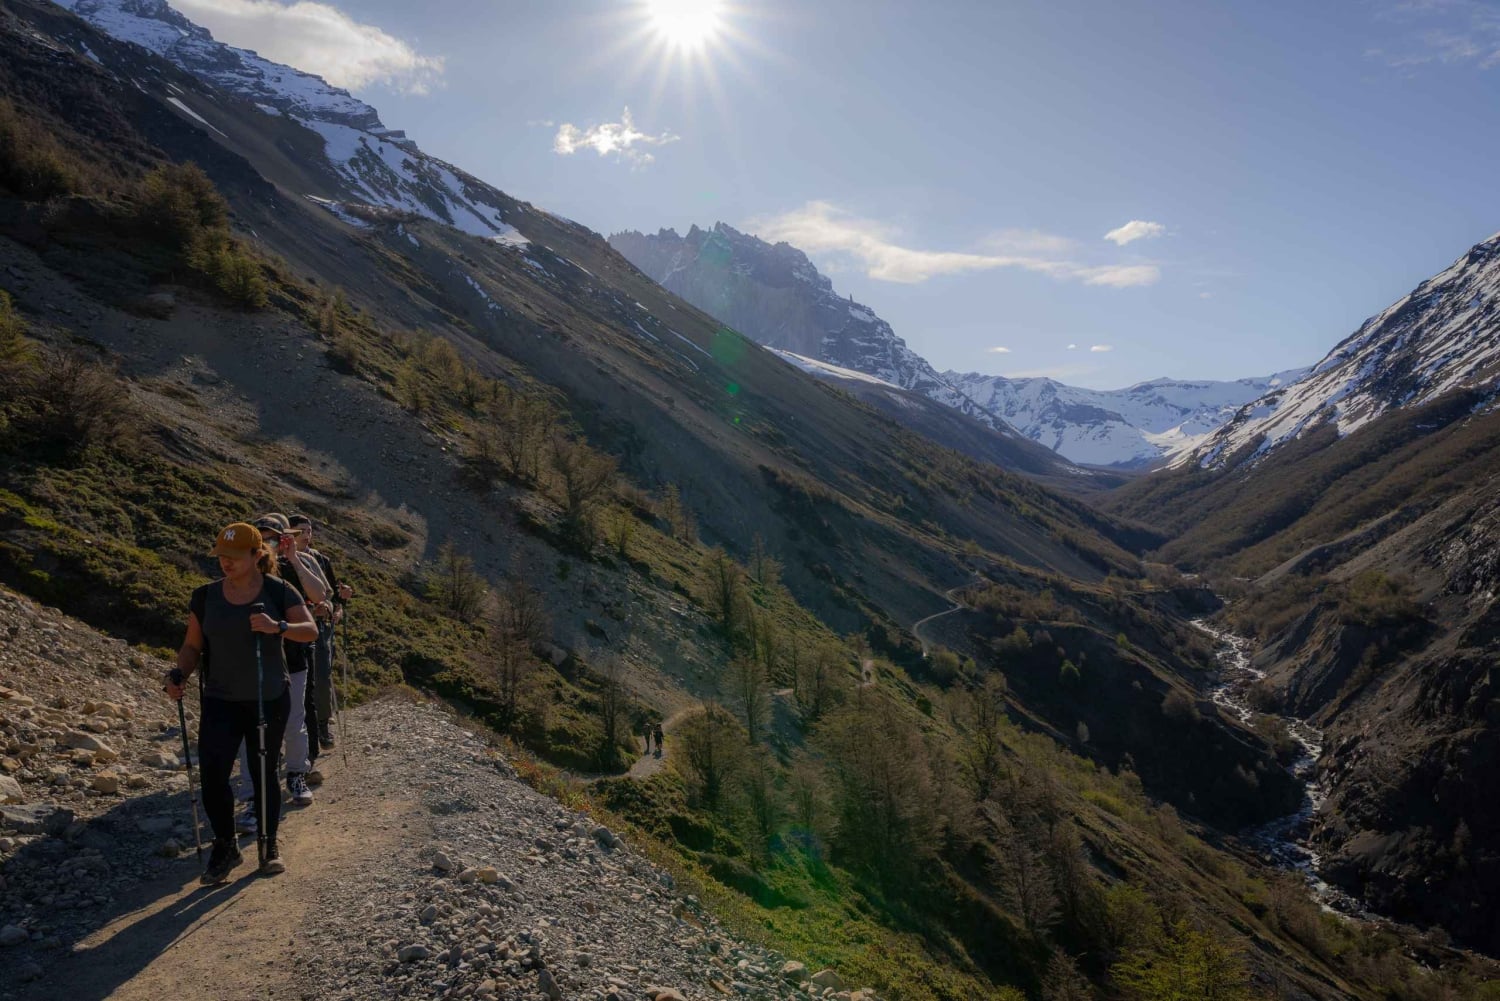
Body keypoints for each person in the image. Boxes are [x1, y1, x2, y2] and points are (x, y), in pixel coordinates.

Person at [165, 522, 318, 883]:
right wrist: (179, 674)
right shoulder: (204, 596)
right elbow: (192, 646)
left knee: (263, 771)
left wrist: (277, 627)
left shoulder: (279, 590)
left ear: (255, 555)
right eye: (221, 557)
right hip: (219, 698)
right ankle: (225, 845)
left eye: (233, 557)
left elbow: (309, 629)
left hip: (268, 697)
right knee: (214, 775)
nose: (226, 563)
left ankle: (268, 844)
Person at [233, 513, 328, 826]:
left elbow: (319, 595)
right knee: (252, 731)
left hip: (291, 658)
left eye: (274, 537)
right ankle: (251, 799)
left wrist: (294, 559)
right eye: (262, 538)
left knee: (293, 721)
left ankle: (296, 774)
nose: (269, 543)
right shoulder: (242, 569)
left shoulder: (295, 565)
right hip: (251, 660)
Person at [288, 514, 353, 755]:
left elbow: (334, 595)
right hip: (292, 626)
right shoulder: (281, 562)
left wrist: (340, 605)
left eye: (309, 530)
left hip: (320, 626)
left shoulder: (321, 560)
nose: (307, 535)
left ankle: (322, 725)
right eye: (301, 531)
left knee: (322, 676)